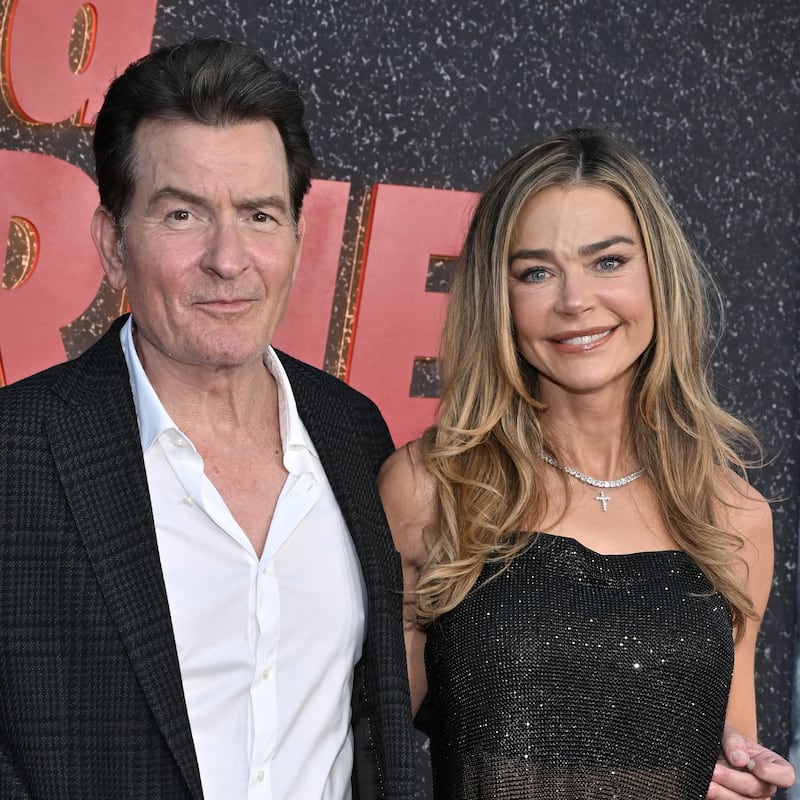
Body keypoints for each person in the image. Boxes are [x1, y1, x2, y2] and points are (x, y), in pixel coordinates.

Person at [0, 37, 414, 799]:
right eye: (183, 213)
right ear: (113, 245)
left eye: (259, 214)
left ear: (296, 234)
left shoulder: (356, 435)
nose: (228, 259)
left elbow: (392, 724)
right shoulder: (15, 455)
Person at [379, 128, 795, 799]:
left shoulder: (733, 517)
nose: (575, 300)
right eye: (536, 272)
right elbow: (365, 754)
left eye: (607, 262)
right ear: (498, 298)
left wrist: (745, 787)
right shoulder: (432, 490)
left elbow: (728, 761)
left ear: (658, 275)